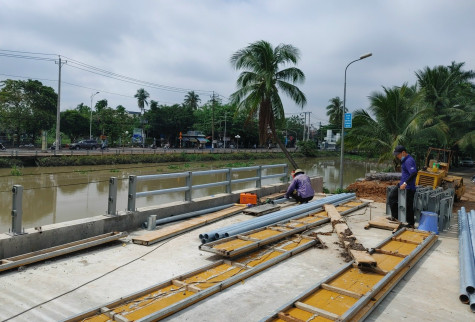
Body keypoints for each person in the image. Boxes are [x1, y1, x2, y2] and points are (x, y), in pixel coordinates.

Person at [388, 145, 418, 228]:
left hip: (408, 187)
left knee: (408, 205)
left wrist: (405, 183)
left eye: (398, 154)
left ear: (403, 152)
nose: (397, 156)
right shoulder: (405, 160)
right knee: (392, 198)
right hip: (402, 185)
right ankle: (396, 217)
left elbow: (414, 173)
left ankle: (411, 223)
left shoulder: (409, 160)